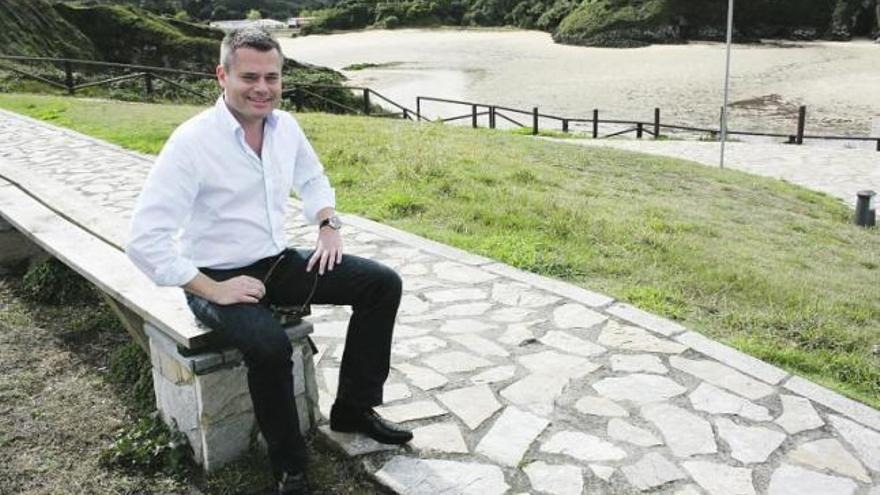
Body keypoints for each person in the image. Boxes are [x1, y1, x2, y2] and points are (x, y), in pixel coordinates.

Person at [126, 27, 412, 495]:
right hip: (215, 275)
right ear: (222, 75)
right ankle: (290, 466)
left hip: (277, 262)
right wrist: (214, 290)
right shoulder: (192, 142)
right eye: (250, 77)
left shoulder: (286, 127)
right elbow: (144, 240)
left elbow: (314, 177)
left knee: (382, 284)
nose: (263, 88)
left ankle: (353, 410)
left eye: (272, 77)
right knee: (269, 347)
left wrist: (326, 223)